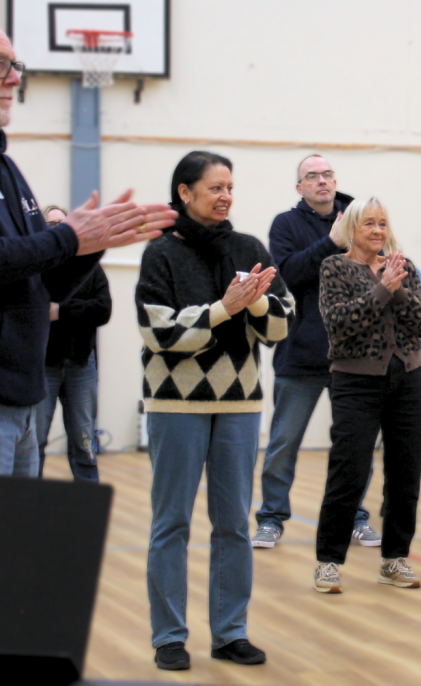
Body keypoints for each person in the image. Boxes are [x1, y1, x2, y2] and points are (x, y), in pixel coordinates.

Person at [0, 14, 175, 476]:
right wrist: (68, 237)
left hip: (18, 394)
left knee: (12, 548)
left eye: (14, 64)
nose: (16, 78)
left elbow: (38, 281)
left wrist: (89, 245)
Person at [136, 151, 294, 669]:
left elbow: (281, 325)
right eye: (214, 188)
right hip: (174, 407)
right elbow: (158, 332)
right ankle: (169, 638)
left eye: (230, 187)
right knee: (171, 524)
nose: (226, 196)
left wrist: (252, 302)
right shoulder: (160, 252)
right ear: (184, 192)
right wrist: (224, 308)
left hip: (239, 405)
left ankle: (230, 633)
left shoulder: (249, 248)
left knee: (232, 525)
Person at [253, 154, 380, 549]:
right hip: (301, 355)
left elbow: (372, 269)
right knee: (283, 443)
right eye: (312, 176)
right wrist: (332, 244)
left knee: (355, 443)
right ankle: (271, 518)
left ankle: (355, 516)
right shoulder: (286, 224)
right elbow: (288, 274)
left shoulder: (358, 216)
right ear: (300, 187)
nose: (322, 181)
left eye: (327, 174)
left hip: (353, 354)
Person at [313, 197, 421, 595]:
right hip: (356, 383)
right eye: (369, 223)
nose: (378, 230)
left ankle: (394, 558)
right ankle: (329, 562)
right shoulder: (335, 267)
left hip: (410, 380)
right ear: (352, 227)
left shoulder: (403, 267)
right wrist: (383, 289)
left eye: (383, 223)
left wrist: (395, 287)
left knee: (406, 474)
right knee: (348, 472)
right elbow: (340, 324)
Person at [35, 205, 112, 482]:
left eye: (62, 222)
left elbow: (103, 309)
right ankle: (26, 505)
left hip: (81, 364)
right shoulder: (36, 267)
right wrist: (75, 310)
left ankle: (88, 504)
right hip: (43, 366)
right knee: (35, 440)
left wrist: (61, 311)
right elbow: (34, 309)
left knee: (84, 439)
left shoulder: (91, 266)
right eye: (51, 223)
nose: (56, 226)